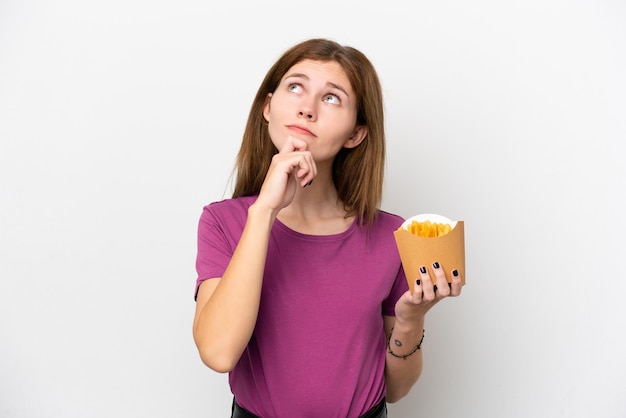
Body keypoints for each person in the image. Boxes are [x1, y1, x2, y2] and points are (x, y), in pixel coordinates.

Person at [192, 38, 463, 418]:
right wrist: (264, 211)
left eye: (332, 98)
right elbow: (219, 353)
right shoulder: (225, 222)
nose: (307, 108)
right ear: (267, 107)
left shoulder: (391, 236)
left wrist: (411, 320)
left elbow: (397, 389)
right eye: (295, 86)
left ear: (356, 134)